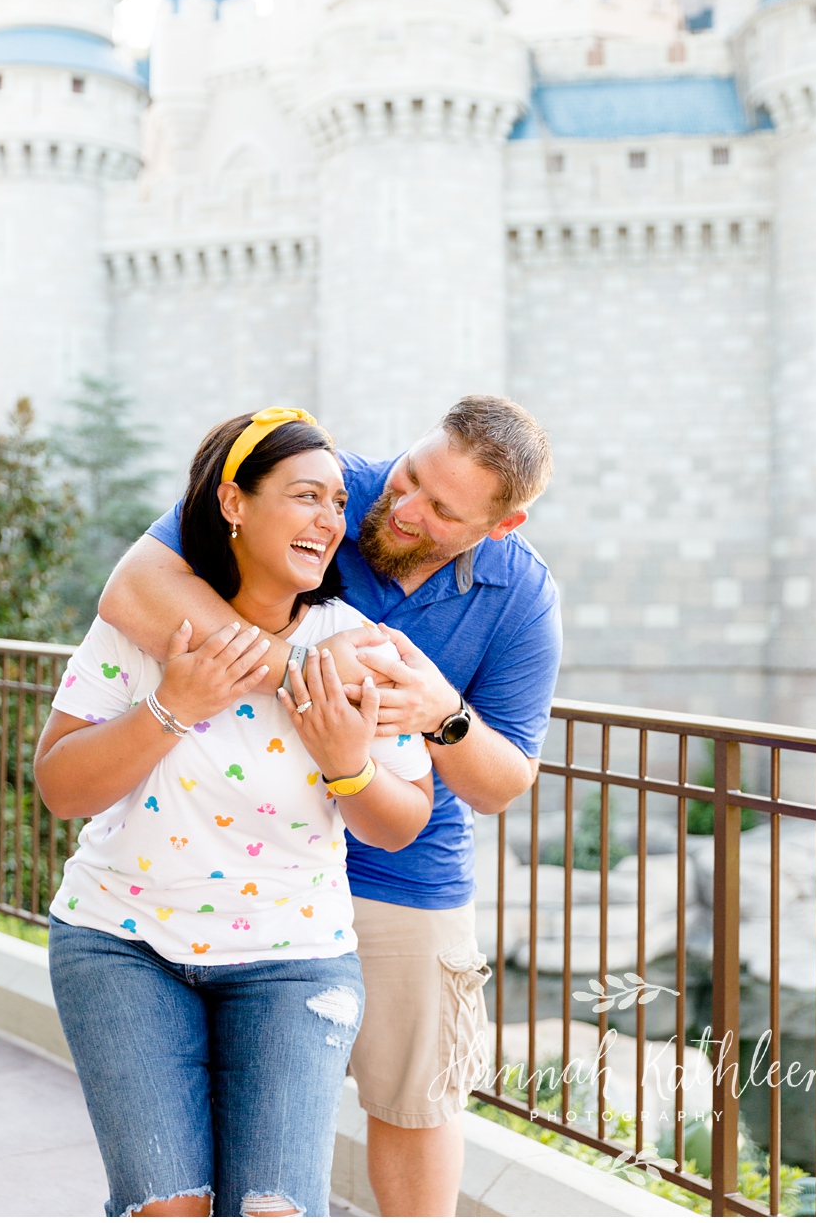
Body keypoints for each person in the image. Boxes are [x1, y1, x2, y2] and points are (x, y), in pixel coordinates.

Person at [98, 395, 561, 1217]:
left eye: (442, 509)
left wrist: (441, 715)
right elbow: (134, 587)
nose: (405, 507)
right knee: (228, 1162)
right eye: (412, 475)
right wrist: (310, 675)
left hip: (405, 871)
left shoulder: (523, 595)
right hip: (242, 866)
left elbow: (503, 781)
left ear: (502, 522)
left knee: (414, 1105)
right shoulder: (322, 485)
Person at [36, 408, 435, 1218]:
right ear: (234, 503)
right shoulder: (148, 629)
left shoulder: (358, 650)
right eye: (304, 496)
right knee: (166, 1206)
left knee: (273, 1210)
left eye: (335, 504)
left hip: (295, 960)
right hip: (122, 944)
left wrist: (348, 765)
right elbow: (60, 786)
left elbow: (402, 821)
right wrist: (169, 706)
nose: (329, 520)